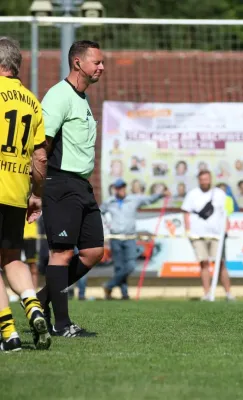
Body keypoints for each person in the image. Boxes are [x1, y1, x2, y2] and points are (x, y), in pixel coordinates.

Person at [37, 40, 105, 337]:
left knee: (93, 252)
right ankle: (61, 325)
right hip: (60, 182)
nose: (102, 67)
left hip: (81, 185)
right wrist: (36, 189)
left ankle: (40, 301)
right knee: (61, 253)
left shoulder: (83, 99)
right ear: (78, 63)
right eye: (97, 62)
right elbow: (42, 145)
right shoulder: (58, 95)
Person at [0, 36, 51, 351]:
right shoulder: (32, 101)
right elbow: (41, 157)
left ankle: (9, 334)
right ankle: (33, 306)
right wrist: (36, 194)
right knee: (11, 258)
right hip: (18, 192)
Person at [100, 178, 169, 300]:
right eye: (118, 187)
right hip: (115, 237)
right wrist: (105, 225)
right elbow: (99, 213)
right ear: (115, 189)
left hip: (130, 237)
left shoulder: (133, 199)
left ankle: (109, 285)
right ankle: (124, 294)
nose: (121, 189)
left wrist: (161, 195)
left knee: (131, 265)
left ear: (125, 188)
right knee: (119, 267)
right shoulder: (109, 202)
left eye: (122, 187)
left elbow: (149, 200)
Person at [182, 171, 234, 300]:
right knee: (204, 263)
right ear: (199, 180)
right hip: (197, 235)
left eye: (206, 179)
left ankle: (228, 294)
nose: (204, 181)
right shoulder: (192, 194)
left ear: (210, 179)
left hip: (217, 235)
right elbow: (186, 212)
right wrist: (188, 230)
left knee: (220, 264)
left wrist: (226, 229)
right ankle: (207, 293)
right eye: (202, 179)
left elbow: (226, 212)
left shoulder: (220, 194)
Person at [22, 213, 39, 289]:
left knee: (32, 264)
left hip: (31, 237)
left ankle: (34, 289)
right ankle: (22, 289)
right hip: (17, 236)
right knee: (16, 264)